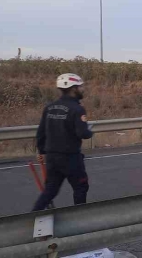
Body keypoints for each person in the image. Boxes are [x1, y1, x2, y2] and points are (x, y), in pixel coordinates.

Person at [32, 73, 93, 211]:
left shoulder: (49, 107)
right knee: (81, 187)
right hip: (70, 158)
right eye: (80, 86)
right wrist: (90, 131)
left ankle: (33, 215)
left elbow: (41, 133)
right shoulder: (77, 109)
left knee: (50, 190)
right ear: (73, 89)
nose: (82, 89)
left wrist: (41, 151)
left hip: (52, 158)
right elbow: (83, 133)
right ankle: (80, 216)